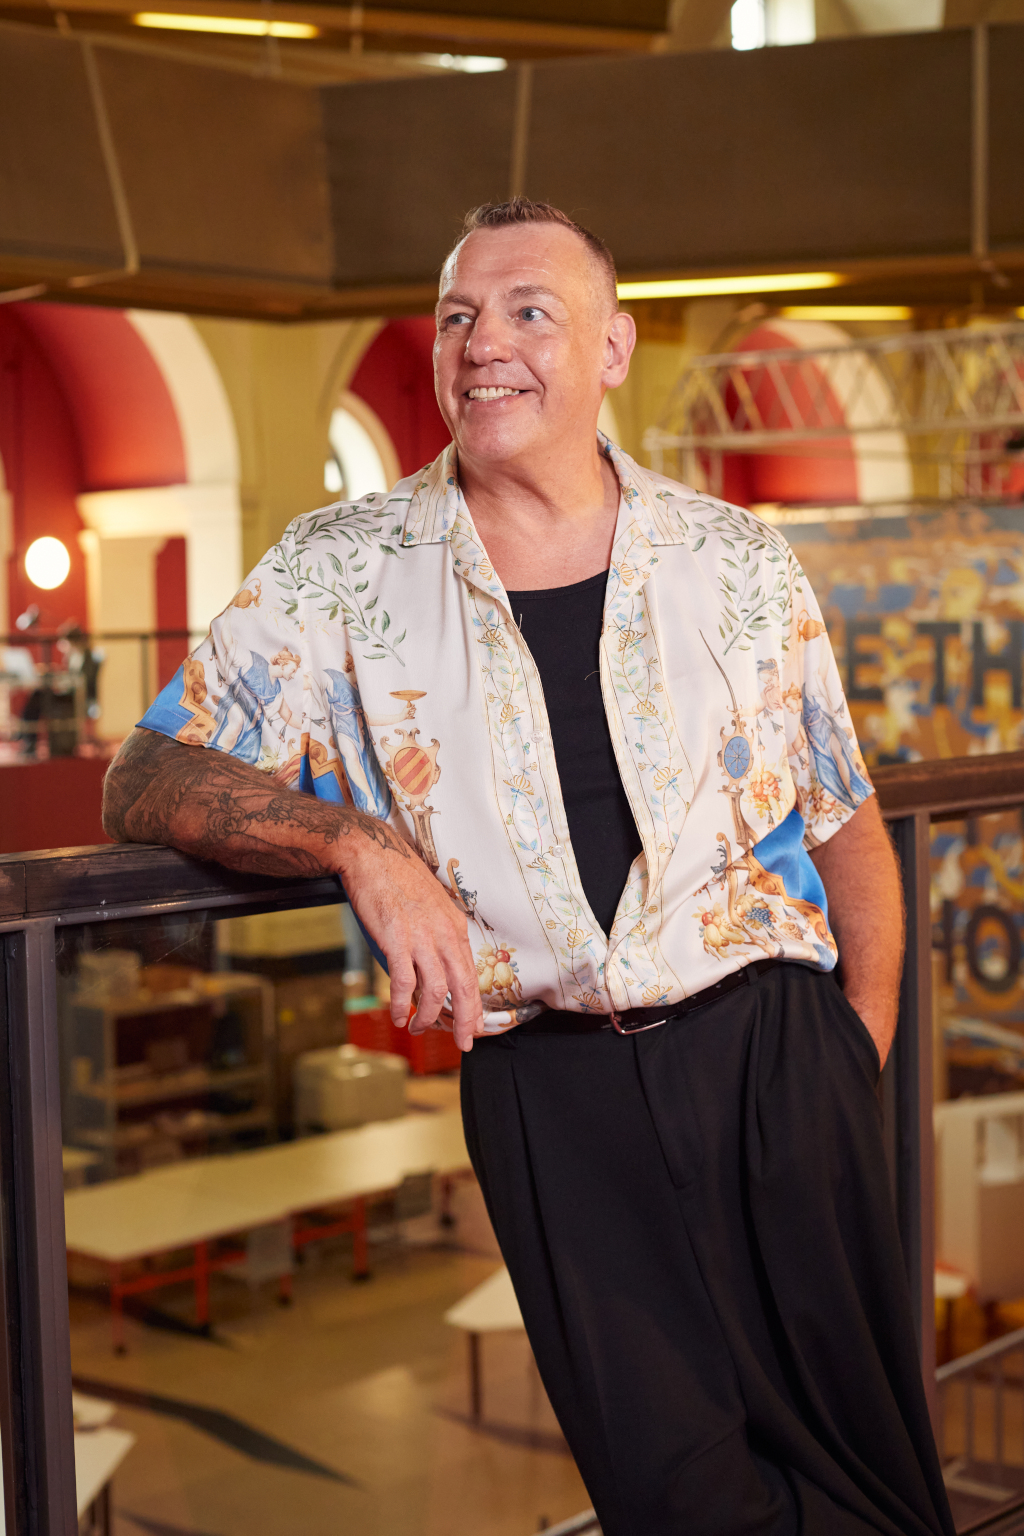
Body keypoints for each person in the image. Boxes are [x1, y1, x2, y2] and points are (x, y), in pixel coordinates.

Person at [103, 198, 954, 1536]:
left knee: (873, 1476)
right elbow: (145, 773)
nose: (482, 342)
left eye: (527, 311)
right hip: (550, 1094)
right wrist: (355, 843)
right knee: (675, 1496)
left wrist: (860, 1044)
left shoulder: (736, 558)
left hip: (777, 1054)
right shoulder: (338, 572)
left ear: (612, 349)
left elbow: (843, 810)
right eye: (457, 316)